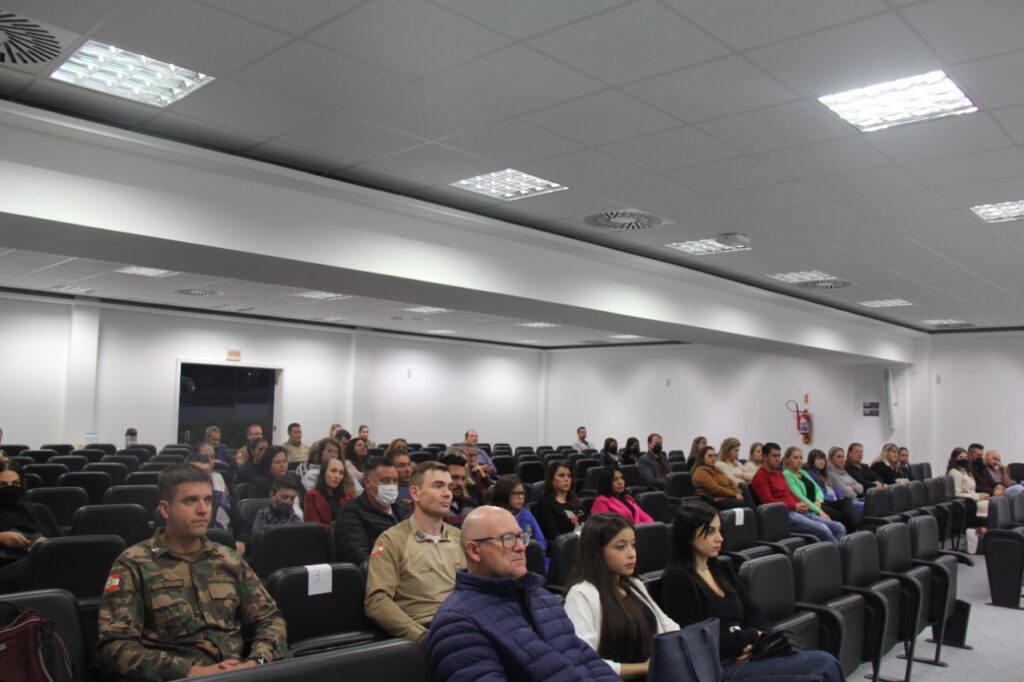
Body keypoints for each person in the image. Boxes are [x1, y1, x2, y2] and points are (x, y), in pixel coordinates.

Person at [97, 465, 286, 679]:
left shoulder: (228, 558)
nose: (203, 510)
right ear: (165, 510)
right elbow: (115, 645)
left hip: (239, 674)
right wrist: (192, 672)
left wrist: (257, 662)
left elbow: (270, 619)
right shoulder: (133, 564)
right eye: (190, 501)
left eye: (207, 500)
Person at [427, 506, 619, 682]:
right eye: (508, 539)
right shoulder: (457, 622)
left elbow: (587, 660)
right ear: (474, 551)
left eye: (521, 536)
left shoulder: (543, 598)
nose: (521, 546)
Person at [660, 502, 844, 682]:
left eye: (719, 530)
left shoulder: (722, 569)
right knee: (824, 665)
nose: (720, 538)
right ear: (688, 535)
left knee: (824, 662)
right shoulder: (677, 580)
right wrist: (750, 637)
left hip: (752, 653)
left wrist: (759, 638)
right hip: (721, 666)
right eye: (710, 532)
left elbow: (753, 611)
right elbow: (696, 640)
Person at [564, 513, 679, 679]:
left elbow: (667, 625)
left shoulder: (635, 585)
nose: (631, 553)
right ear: (597, 552)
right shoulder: (581, 594)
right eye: (621, 547)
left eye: (633, 545)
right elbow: (585, 660)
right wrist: (643, 668)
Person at [365, 461, 463, 643]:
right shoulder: (391, 540)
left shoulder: (459, 537)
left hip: (466, 624)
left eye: (449, 487)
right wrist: (418, 635)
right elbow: (377, 602)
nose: (447, 493)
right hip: (428, 630)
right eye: (438, 486)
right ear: (415, 493)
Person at [751, 443, 845, 544]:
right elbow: (768, 501)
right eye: (774, 456)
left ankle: (839, 554)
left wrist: (800, 503)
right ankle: (838, 555)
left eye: (779, 456)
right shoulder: (760, 477)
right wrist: (794, 505)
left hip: (798, 510)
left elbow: (789, 493)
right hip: (784, 514)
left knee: (839, 527)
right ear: (764, 457)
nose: (778, 459)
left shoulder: (778, 473)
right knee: (823, 529)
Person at [169, 453, 248, 555]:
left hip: (224, 557)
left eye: (206, 474)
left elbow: (242, 527)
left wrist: (241, 542)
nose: (201, 478)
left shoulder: (225, 499)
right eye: (196, 473)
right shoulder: (174, 504)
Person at [0, 461, 61, 592]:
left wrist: (44, 545)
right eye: (3, 485)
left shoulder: (39, 510)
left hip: (44, 570)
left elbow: (61, 543)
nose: (10, 488)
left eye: (16, 484)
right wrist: (1, 538)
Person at [333, 457, 400, 565]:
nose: (392, 486)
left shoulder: (402, 509)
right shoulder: (351, 514)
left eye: (395, 481)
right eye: (385, 481)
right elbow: (360, 558)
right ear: (367, 483)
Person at [491, 475, 547, 563]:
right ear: (504, 494)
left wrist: (529, 548)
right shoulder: (493, 518)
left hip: (530, 558)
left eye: (522, 493)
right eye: (515, 494)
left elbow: (541, 542)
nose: (521, 497)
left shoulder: (526, 514)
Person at [805, 449, 860, 532]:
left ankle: (857, 528)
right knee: (840, 513)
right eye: (819, 459)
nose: (822, 462)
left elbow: (834, 488)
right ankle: (855, 530)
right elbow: (817, 492)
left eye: (823, 459)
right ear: (812, 460)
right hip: (820, 503)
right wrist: (832, 497)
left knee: (846, 501)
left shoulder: (823, 474)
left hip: (829, 501)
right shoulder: (810, 474)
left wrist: (840, 496)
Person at [534, 459, 587, 542]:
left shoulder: (575, 500)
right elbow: (555, 537)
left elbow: (588, 525)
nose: (566, 479)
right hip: (567, 549)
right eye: (561, 475)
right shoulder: (545, 504)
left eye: (569, 476)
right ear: (551, 479)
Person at [948, 447, 988, 553]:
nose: (964, 459)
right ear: (955, 459)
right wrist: (977, 497)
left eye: (966, 457)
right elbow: (956, 494)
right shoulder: (954, 472)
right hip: (962, 503)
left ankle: (983, 539)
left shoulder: (967, 472)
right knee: (983, 505)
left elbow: (972, 490)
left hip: (972, 499)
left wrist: (980, 494)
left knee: (990, 503)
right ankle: (974, 546)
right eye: (961, 457)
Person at [304, 456, 355, 527]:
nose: (337, 476)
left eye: (341, 473)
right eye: (333, 471)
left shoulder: (347, 497)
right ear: (324, 472)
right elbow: (315, 527)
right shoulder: (312, 496)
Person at [692, 445, 746, 509]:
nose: (713, 458)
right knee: (742, 504)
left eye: (714, 456)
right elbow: (715, 489)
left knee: (746, 496)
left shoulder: (717, 469)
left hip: (727, 496)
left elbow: (730, 482)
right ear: (702, 458)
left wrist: (738, 492)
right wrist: (735, 494)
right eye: (709, 456)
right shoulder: (701, 472)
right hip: (716, 500)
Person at [442, 453, 484, 527]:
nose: (460, 483)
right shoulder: (434, 509)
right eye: (455, 477)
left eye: (463, 479)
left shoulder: (471, 505)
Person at [391, 450, 415, 516]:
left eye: (409, 464)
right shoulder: (389, 492)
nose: (408, 470)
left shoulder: (419, 486)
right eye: (402, 466)